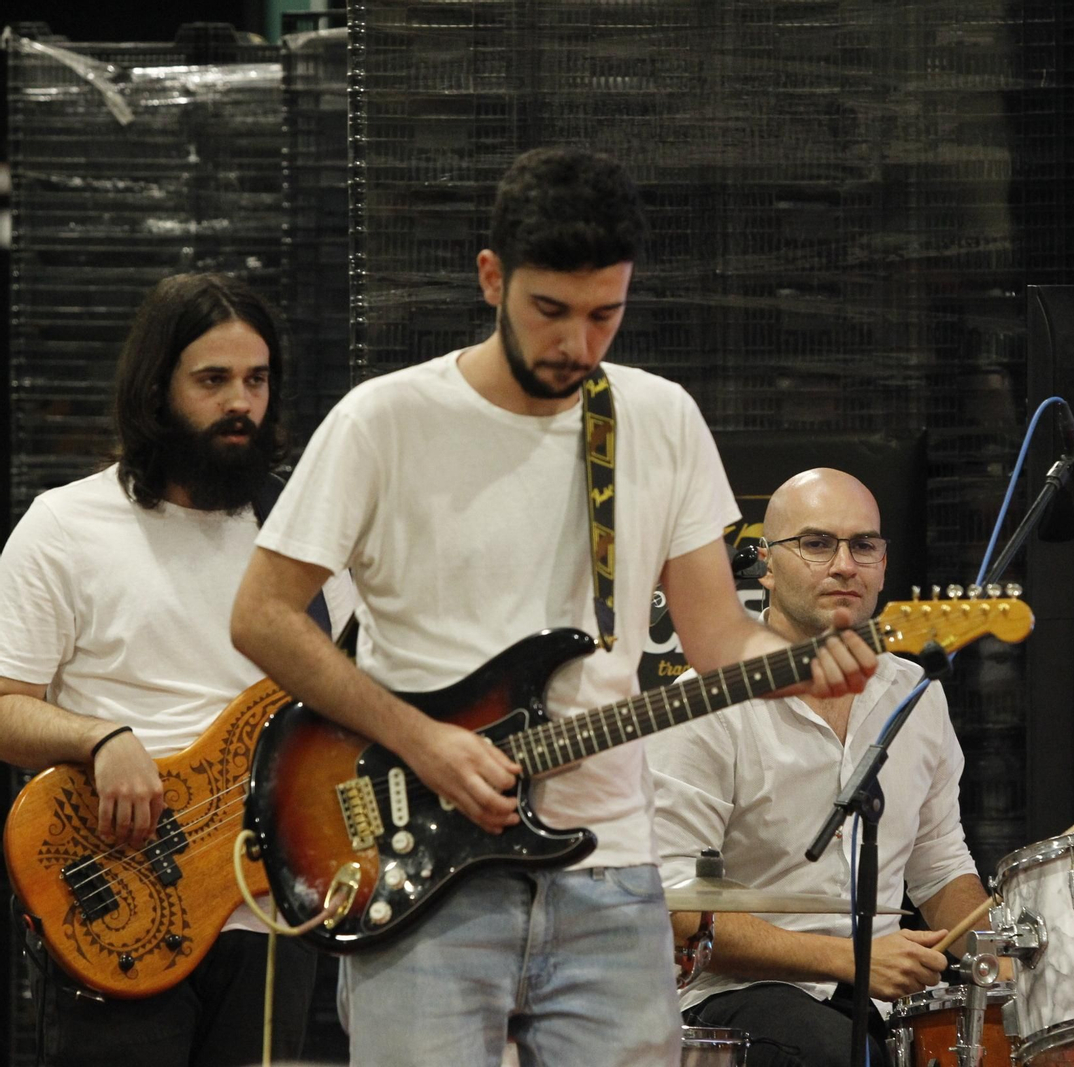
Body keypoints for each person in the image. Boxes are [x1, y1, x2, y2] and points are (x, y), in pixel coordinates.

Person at [228, 147, 877, 1067]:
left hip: (610, 874)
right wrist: (425, 742)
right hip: (422, 869)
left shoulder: (660, 419)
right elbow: (261, 615)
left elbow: (717, 637)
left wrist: (796, 666)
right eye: (550, 310)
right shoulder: (386, 420)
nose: (577, 343)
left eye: (604, 314)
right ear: (491, 277)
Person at [0, 273, 324, 1066]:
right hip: (119, 900)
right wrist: (98, 737)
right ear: (155, 390)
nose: (240, 403)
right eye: (213, 380)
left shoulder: (302, 534)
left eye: (256, 380)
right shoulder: (64, 526)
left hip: (272, 909)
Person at [647, 468, 993, 1067]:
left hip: (881, 1002)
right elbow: (676, 907)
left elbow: (939, 866)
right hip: (732, 997)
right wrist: (851, 960)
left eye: (863, 546)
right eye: (816, 544)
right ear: (766, 564)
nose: (844, 566)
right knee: (839, 1054)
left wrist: (1009, 966)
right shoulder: (706, 699)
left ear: (883, 564)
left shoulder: (916, 692)